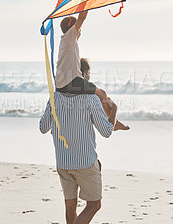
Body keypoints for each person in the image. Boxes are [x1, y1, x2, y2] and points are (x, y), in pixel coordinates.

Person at [39, 90, 117, 224]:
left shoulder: (55, 97)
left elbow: (43, 128)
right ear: (84, 75)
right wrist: (114, 110)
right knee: (94, 204)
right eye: (89, 74)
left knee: (70, 206)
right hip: (85, 163)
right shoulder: (91, 99)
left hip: (63, 163)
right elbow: (107, 131)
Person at [55, 11, 129, 131]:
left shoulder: (66, 42)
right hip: (72, 82)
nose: (80, 32)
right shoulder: (69, 37)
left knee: (100, 95)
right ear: (73, 29)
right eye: (79, 29)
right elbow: (82, 17)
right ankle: (113, 122)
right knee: (102, 94)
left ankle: (112, 120)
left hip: (61, 84)